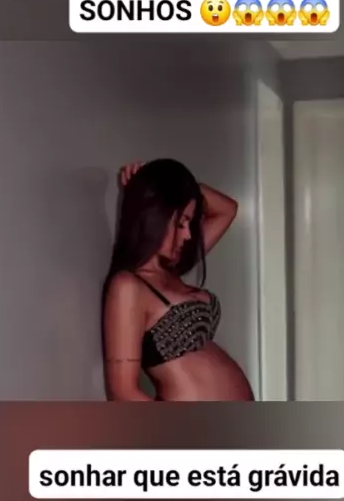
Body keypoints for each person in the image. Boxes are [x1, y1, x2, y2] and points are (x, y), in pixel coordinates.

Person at [102, 158, 254, 402]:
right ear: (157, 215)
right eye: (182, 222)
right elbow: (122, 392)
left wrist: (170, 184)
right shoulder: (128, 287)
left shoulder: (171, 270)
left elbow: (227, 210)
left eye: (190, 223)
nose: (188, 234)